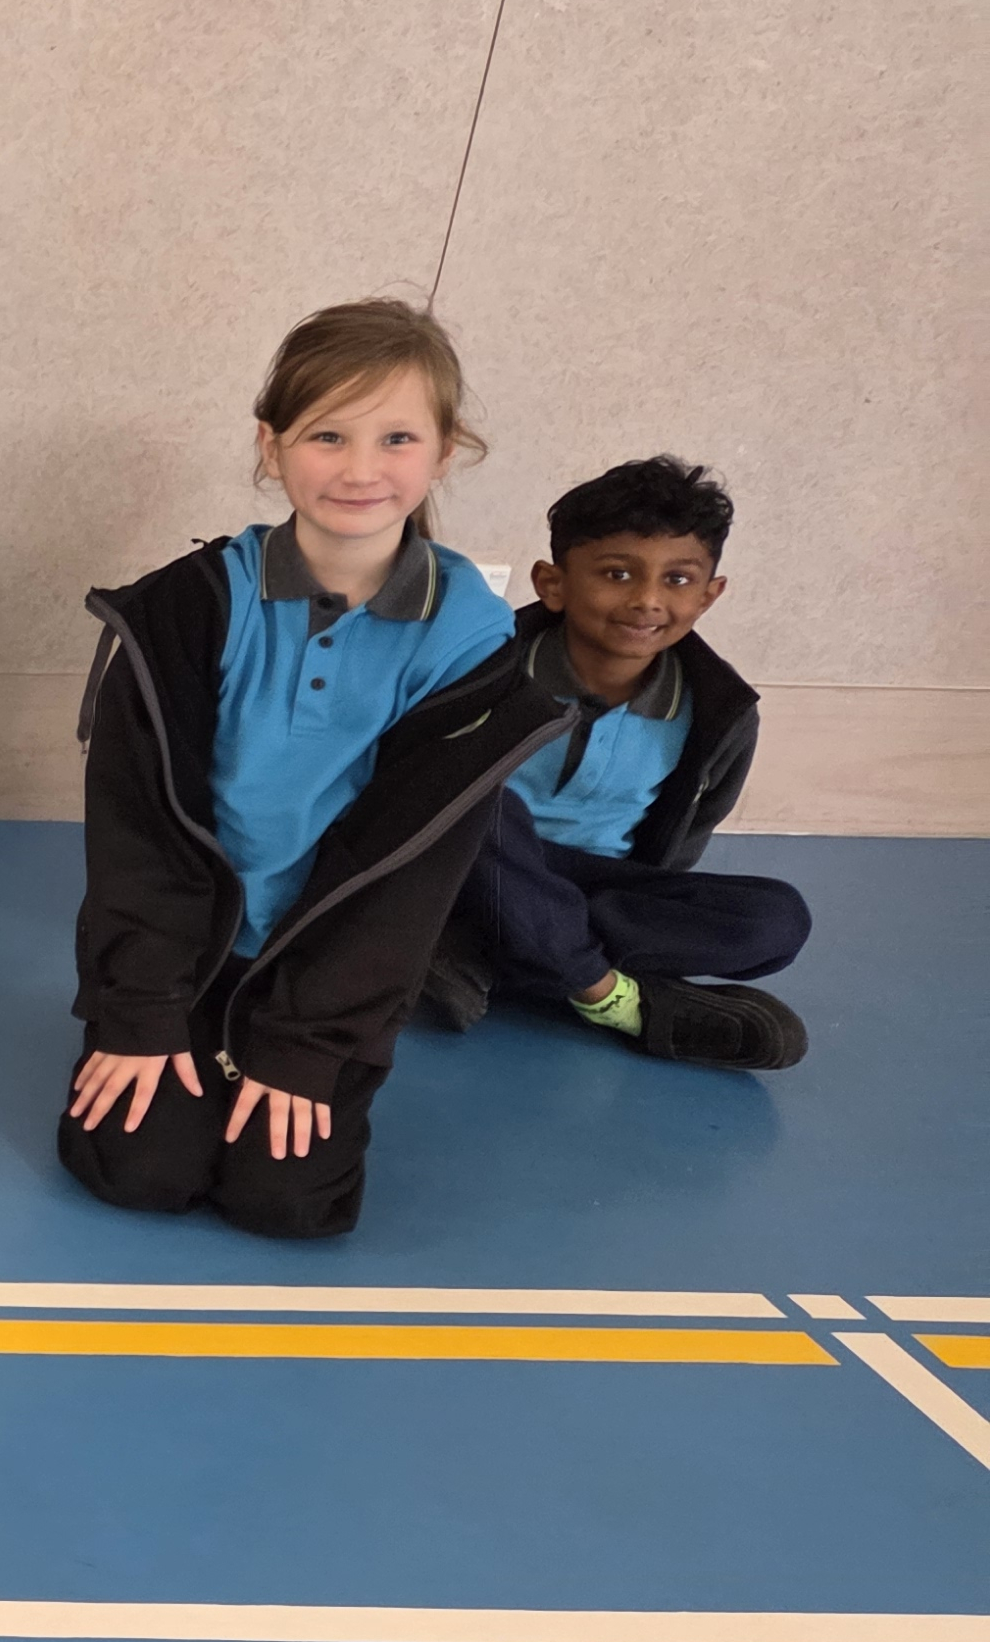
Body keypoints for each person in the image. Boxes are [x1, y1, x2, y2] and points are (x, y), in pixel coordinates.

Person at [62, 298, 563, 1239]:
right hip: (190, 951)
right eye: (328, 435)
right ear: (272, 445)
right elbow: (139, 832)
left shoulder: (467, 636)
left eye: (397, 437)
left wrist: (308, 1045)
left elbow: (407, 872)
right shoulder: (189, 607)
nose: (361, 469)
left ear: (444, 451)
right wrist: (142, 1013)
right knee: (140, 1173)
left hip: (327, 966)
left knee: (288, 1202)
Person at [419, 456, 808, 1067]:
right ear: (552, 583)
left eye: (677, 580)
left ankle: (492, 954)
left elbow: (684, 839)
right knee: (475, 803)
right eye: (617, 574)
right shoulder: (480, 671)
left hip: (596, 887)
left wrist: (579, 919)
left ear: (710, 595)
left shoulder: (719, 711)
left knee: (777, 920)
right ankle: (609, 997)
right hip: (473, 866)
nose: (647, 600)